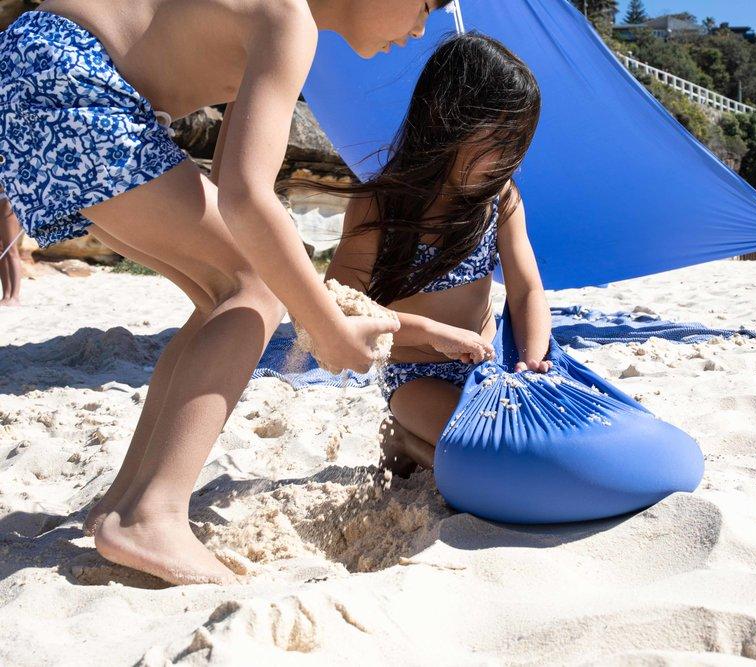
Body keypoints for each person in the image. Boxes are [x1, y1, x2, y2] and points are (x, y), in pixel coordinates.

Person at [0, 1, 455, 585]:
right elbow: (246, 197)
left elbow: (229, 190)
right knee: (255, 285)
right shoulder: (290, 20)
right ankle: (150, 514)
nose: (419, 28)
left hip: (36, 68)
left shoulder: (273, 17)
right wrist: (325, 328)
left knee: (225, 292)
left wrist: (312, 303)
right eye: (425, 6)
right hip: (74, 80)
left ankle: (126, 500)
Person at [321, 34, 551, 476]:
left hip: (491, 364)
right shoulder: (380, 205)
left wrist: (532, 358)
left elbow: (526, 292)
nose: (506, 160)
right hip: (417, 377)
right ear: (447, 120)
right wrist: (432, 333)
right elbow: (340, 308)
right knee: (491, 461)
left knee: (533, 449)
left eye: (516, 145)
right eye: (497, 141)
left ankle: (423, 447)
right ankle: (406, 438)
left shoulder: (499, 199)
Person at [0, 193, 22, 306]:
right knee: (1, 250)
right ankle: (6, 296)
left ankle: (15, 297)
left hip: (7, 199)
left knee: (11, 250)